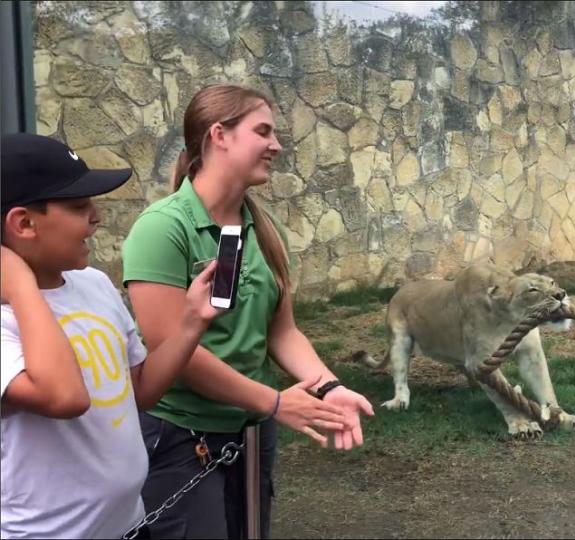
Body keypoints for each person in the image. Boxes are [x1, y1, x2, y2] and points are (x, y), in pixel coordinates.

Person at [121, 83, 375, 539]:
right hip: (181, 437)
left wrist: (327, 386)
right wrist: (273, 401)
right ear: (219, 135)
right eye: (263, 131)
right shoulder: (162, 228)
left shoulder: (262, 227)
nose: (276, 145)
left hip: (251, 435)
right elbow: (169, 348)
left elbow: (282, 331)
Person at [0, 133, 223, 539]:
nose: (97, 216)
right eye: (78, 206)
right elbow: (66, 397)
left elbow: (139, 390)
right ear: (23, 223)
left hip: (128, 526)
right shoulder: (6, 319)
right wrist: (18, 285)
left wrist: (192, 323)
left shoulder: (94, 284)